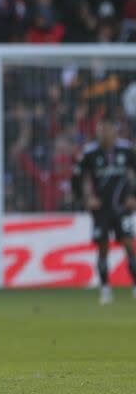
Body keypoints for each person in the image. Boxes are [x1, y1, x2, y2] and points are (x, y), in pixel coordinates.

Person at [72, 116, 136, 304]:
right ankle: (106, 289)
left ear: (114, 130)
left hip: (121, 207)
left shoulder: (126, 149)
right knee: (102, 249)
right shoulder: (90, 153)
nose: (103, 133)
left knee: (128, 245)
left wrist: (134, 197)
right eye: (100, 129)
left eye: (107, 129)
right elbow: (76, 177)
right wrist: (86, 199)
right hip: (101, 209)